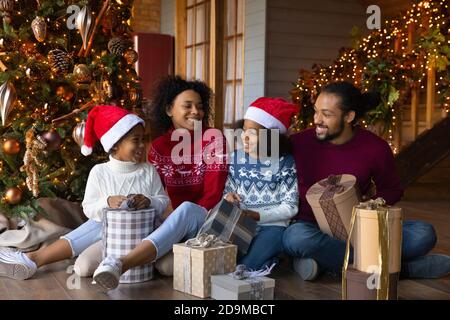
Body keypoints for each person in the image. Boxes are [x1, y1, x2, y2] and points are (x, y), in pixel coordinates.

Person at [282, 81, 450, 281]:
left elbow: (392, 189)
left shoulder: (375, 147)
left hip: (360, 227)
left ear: (349, 116)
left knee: (423, 233)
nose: (317, 119)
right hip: (312, 226)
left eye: (326, 114)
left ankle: (329, 264)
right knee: (297, 238)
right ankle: (402, 270)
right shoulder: (298, 142)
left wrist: (370, 203)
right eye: (316, 111)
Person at [0, 105, 169, 280]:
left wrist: (149, 200)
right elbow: (88, 208)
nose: (142, 145)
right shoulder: (100, 172)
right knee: (84, 266)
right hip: (111, 238)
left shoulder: (148, 171)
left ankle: (34, 259)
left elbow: (162, 201)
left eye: (143, 139)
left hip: (144, 234)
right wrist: (108, 201)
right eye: (136, 140)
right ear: (116, 143)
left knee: (102, 225)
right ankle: (33, 262)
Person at [91, 76, 228, 290]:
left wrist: (174, 216)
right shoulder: (159, 147)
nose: (196, 112)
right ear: (168, 110)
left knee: (186, 209)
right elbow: (154, 193)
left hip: (206, 218)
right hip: (172, 223)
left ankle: (120, 264)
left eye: (200, 107)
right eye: (188, 106)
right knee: (164, 265)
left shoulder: (213, 139)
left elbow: (213, 192)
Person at [224, 98, 299, 270]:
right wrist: (228, 196)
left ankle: (268, 258)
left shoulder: (284, 162)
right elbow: (228, 189)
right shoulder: (236, 158)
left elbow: (291, 207)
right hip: (241, 224)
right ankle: (272, 260)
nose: (245, 137)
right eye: (243, 131)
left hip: (272, 227)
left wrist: (256, 215)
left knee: (244, 267)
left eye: (253, 133)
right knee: (227, 260)